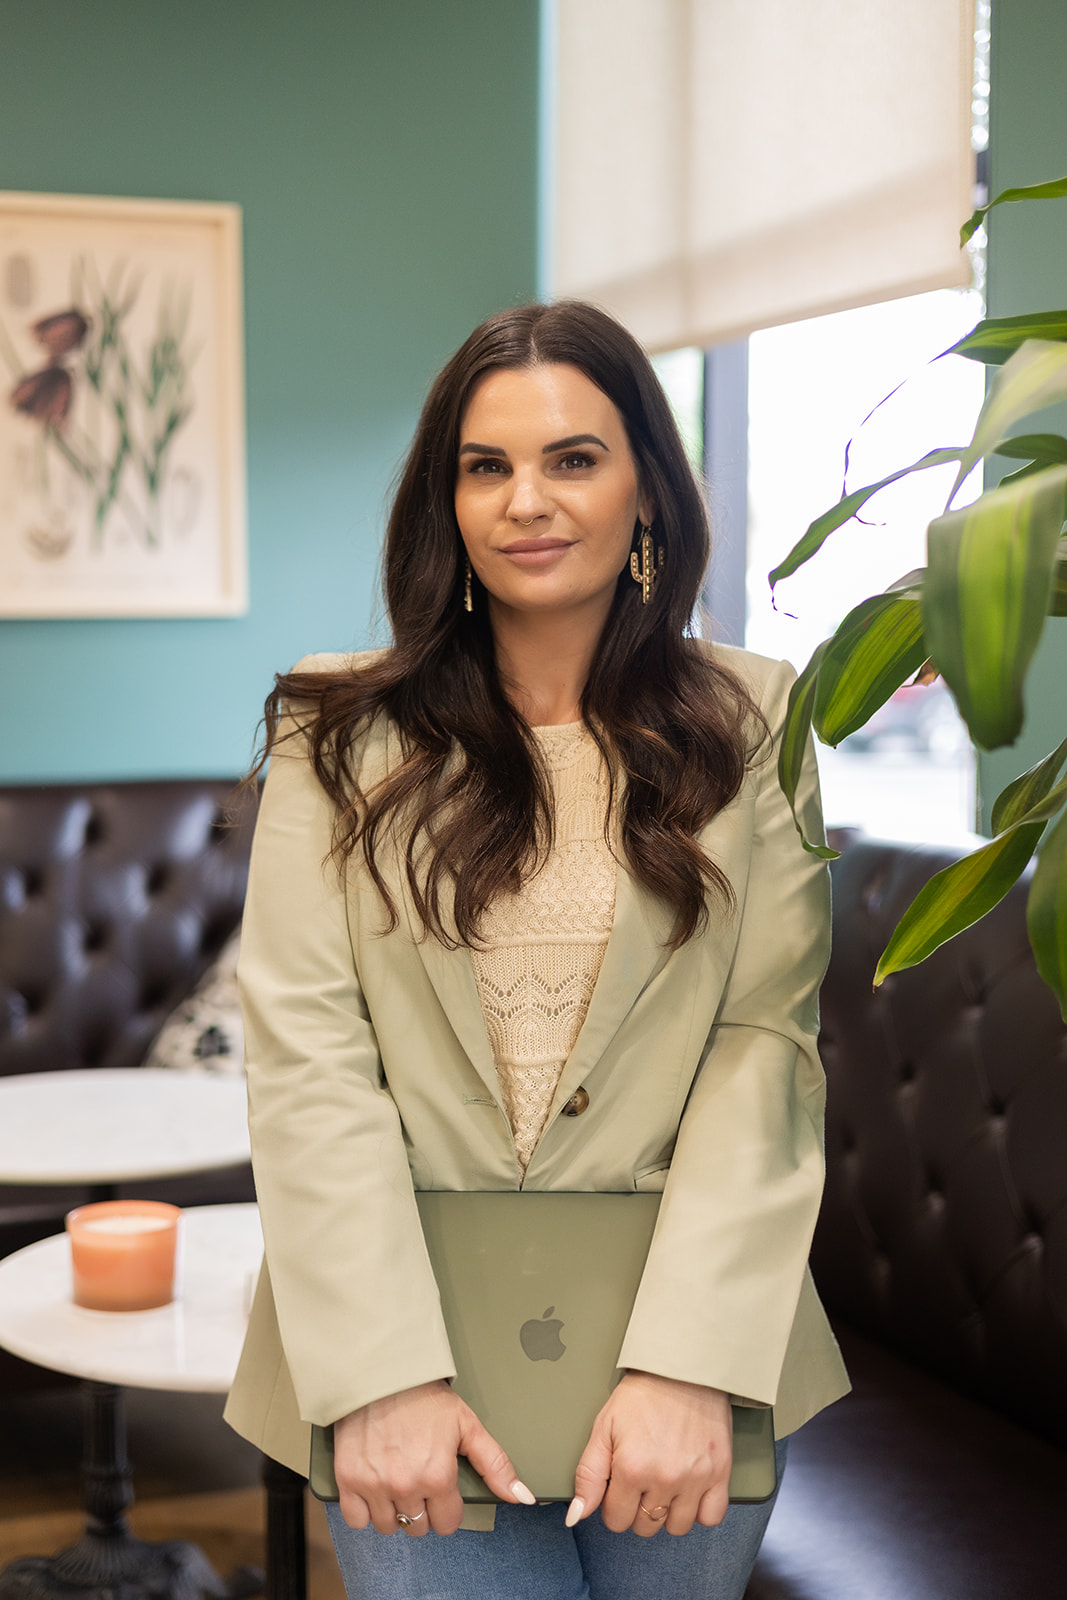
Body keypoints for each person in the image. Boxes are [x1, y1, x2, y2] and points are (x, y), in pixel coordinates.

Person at [223, 300, 849, 1600]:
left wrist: (689, 1363)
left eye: (574, 458)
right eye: (486, 465)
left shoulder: (759, 724)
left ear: (648, 493)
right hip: (406, 1358)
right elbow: (309, 1062)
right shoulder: (332, 737)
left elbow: (762, 1050)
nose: (527, 501)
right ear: (444, 503)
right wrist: (383, 1375)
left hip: (691, 1354)